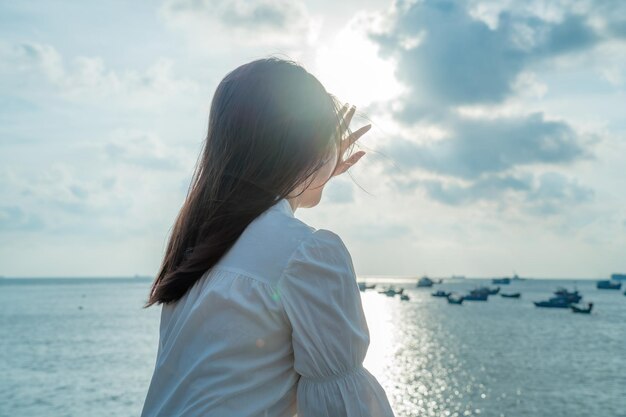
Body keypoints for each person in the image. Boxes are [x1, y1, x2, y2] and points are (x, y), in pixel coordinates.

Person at [140, 57, 395, 417]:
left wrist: (313, 171)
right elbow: (343, 407)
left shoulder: (198, 247)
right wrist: (314, 171)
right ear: (302, 148)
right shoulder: (308, 254)